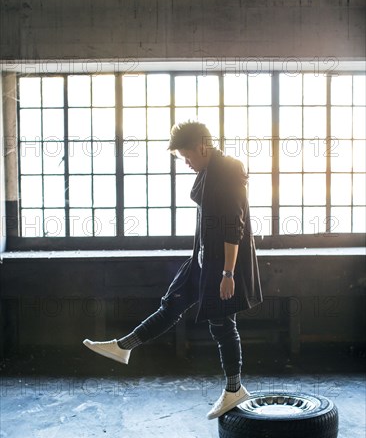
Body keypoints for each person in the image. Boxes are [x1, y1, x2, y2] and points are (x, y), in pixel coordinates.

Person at [83, 121, 262, 419]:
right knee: (173, 304)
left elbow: (235, 226)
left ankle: (234, 390)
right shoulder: (208, 170)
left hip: (223, 266)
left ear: (201, 147)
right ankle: (123, 347)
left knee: (221, 324)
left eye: (187, 156)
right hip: (204, 259)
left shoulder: (228, 170)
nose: (187, 163)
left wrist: (228, 274)